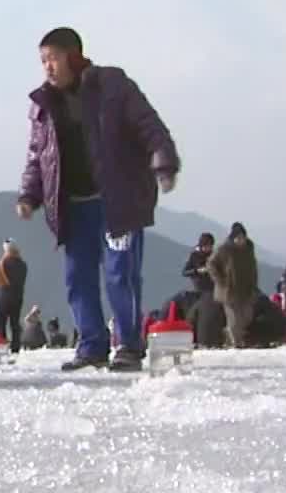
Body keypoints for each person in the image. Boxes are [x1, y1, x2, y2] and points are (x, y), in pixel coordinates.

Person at [16, 26, 181, 372]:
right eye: (43, 60)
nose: (48, 67)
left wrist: (163, 162)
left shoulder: (112, 86)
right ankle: (91, 344)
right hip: (73, 205)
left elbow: (149, 125)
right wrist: (29, 194)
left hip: (116, 201)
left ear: (74, 57)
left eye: (54, 58)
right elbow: (37, 155)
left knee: (121, 274)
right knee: (78, 278)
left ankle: (129, 345)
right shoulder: (43, 105)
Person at [208, 223, 260, 349]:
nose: (241, 240)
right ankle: (237, 343)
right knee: (234, 318)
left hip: (246, 288)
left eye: (243, 237)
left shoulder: (249, 248)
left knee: (247, 316)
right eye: (238, 237)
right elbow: (211, 264)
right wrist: (221, 281)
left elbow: (253, 267)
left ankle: (229, 334)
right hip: (228, 290)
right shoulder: (224, 249)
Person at [0, 240, 27, 352]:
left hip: (4, 295)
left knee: (1, 321)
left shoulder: (2, 263)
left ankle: (1, 346)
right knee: (15, 323)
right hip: (18, 296)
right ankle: (15, 347)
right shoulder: (23, 264)